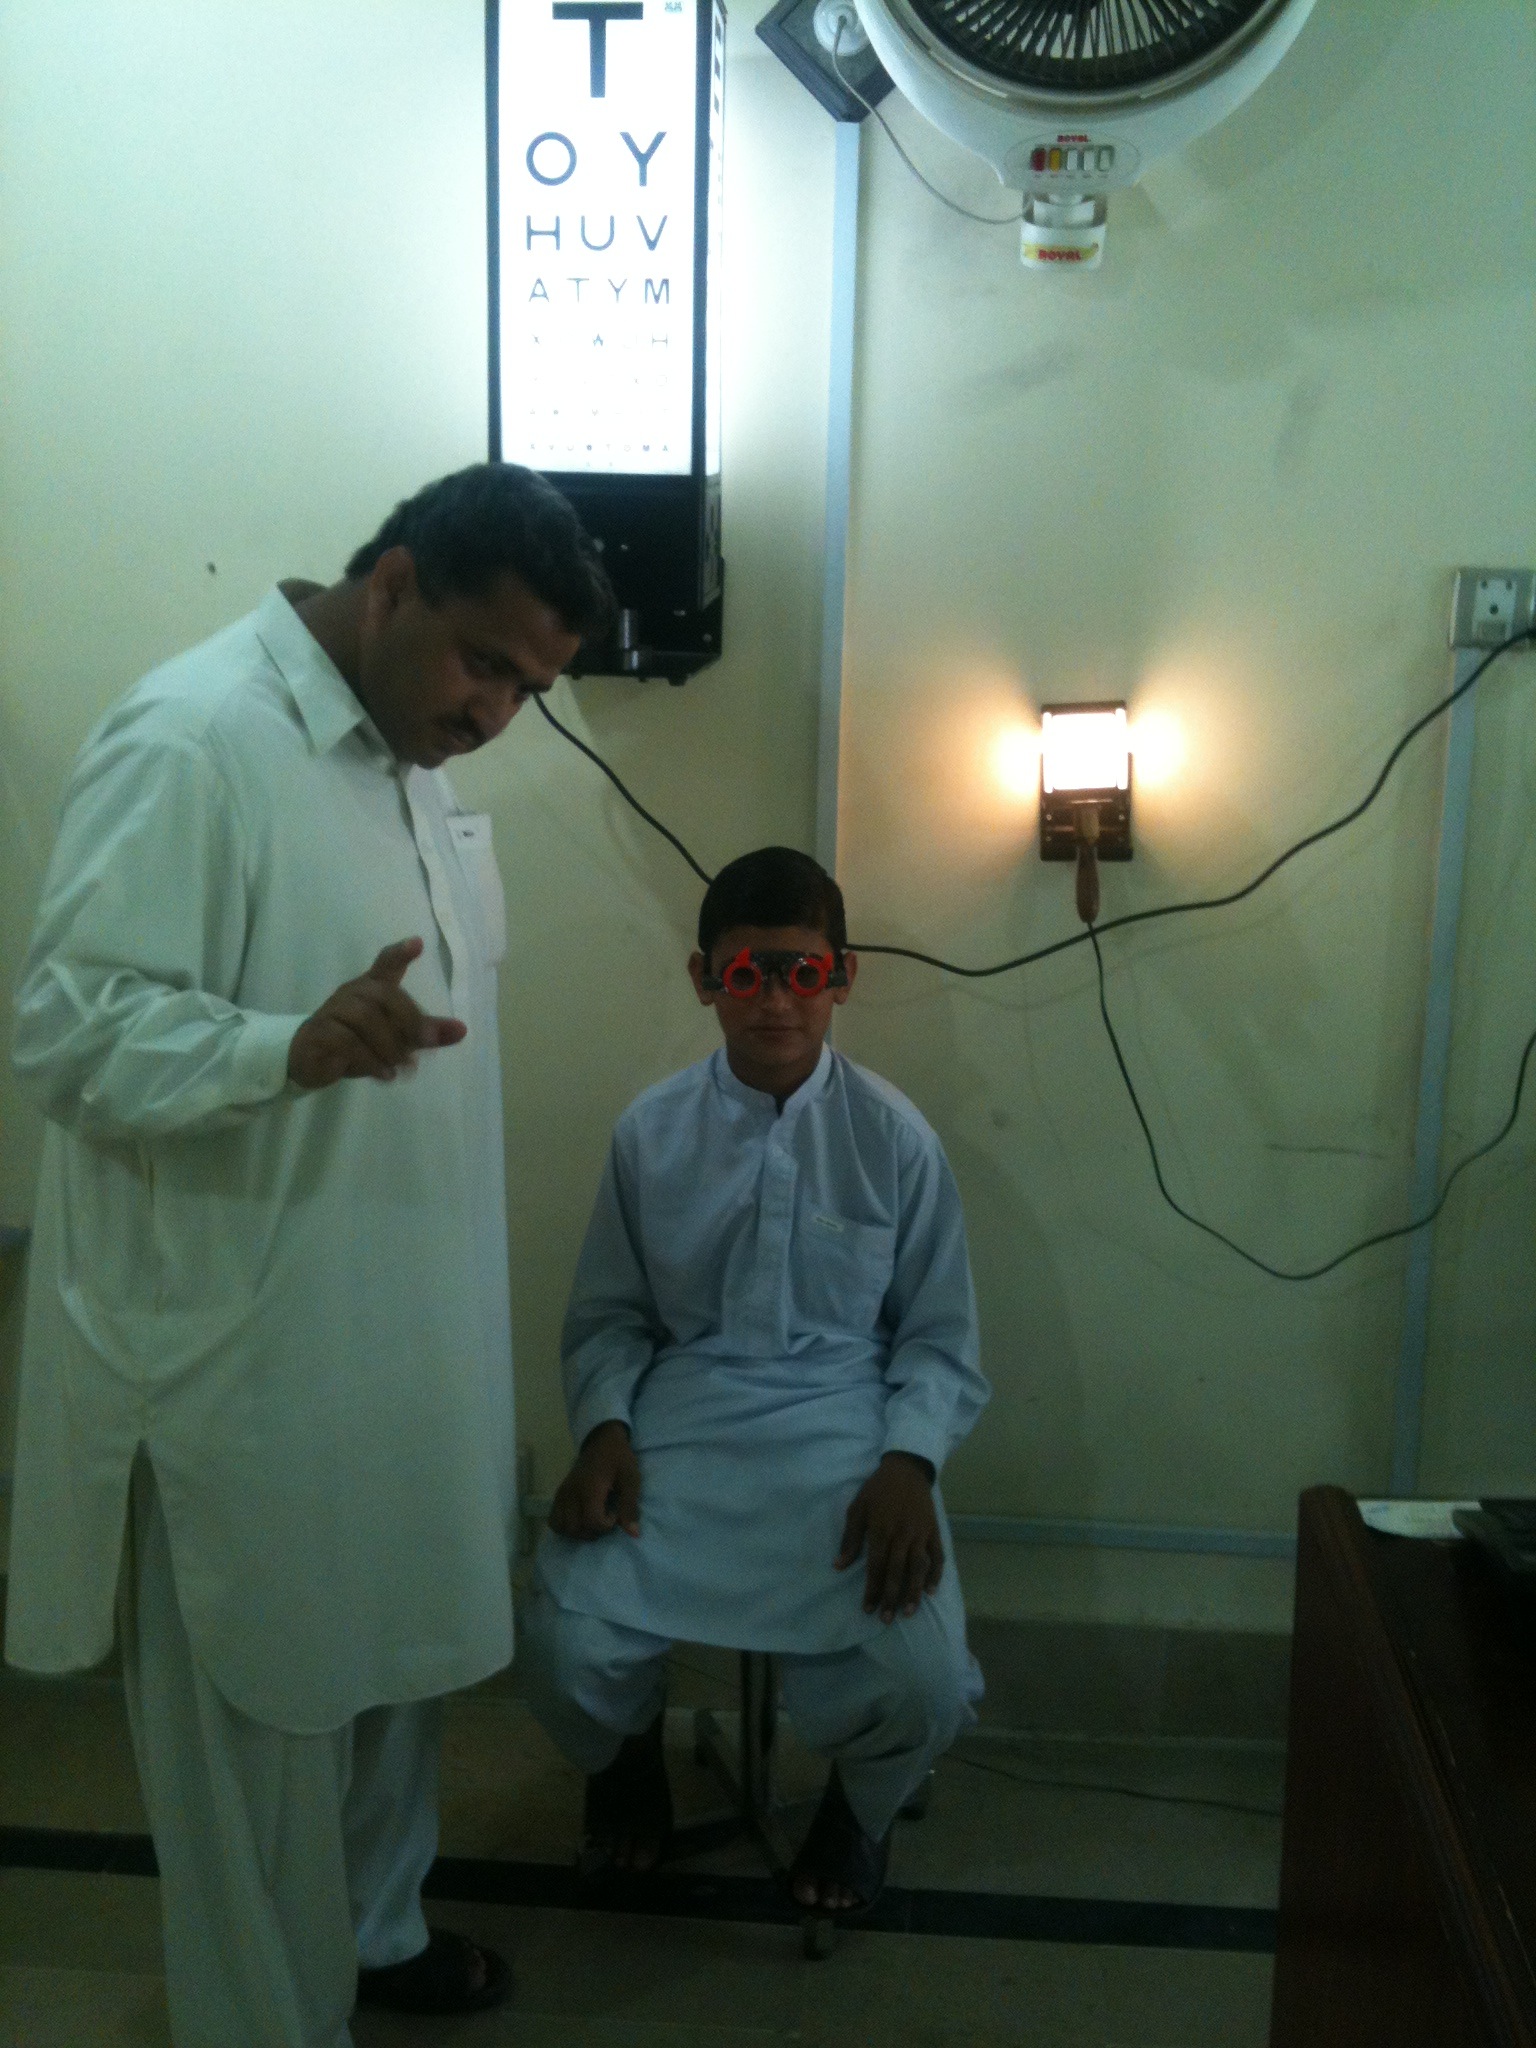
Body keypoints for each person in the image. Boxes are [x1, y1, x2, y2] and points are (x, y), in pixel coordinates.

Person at [5, 462, 612, 2047]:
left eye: (531, 691)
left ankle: (380, 1931)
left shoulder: (409, 757)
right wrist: (275, 1047)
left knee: (393, 1674)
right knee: (261, 1746)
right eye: (484, 663)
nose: (496, 714)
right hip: (241, 1371)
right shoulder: (196, 739)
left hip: (401, 1346)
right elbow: (65, 1031)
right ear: (393, 582)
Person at [522, 846, 990, 1915]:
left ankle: (857, 1810)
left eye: (801, 972)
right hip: (679, 1426)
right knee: (558, 1644)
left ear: (842, 977)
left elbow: (938, 1336)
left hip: (846, 1433)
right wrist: (604, 1430)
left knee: (922, 1679)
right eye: (746, 974)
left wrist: (912, 1463)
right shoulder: (651, 1132)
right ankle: (625, 1760)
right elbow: (609, 1315)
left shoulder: (894, 1138)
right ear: (705, 981)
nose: (776, 1000)